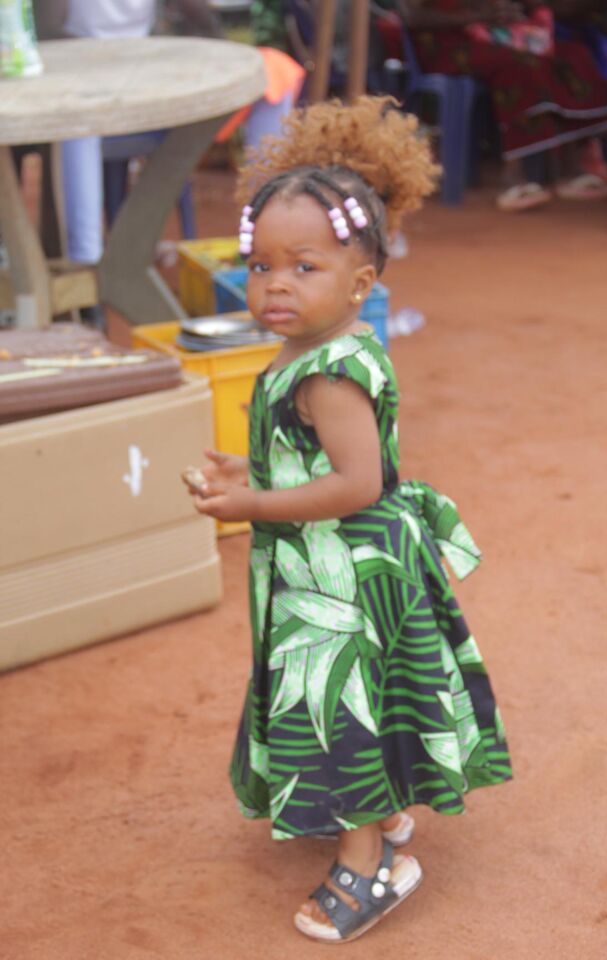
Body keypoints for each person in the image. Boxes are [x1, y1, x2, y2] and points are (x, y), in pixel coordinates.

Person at [184, 96, 513, 943]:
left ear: (361, 285)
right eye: (261, 265)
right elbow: (318, 461)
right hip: (334, 569)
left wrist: (252, 504)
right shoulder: (309, 351)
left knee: (338, 715)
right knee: (366, 702)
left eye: (304, 267)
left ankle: (371, 866)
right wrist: (251, 469)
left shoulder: (328, 372)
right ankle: (387, 813)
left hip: (342, 582)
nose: (275, 284)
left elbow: (359, 482)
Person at [396, 0, 607, 210]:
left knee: (574, 56)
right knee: (520, 64)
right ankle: (515, 176)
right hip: (446, 47)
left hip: (493, 36)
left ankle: (572, 168)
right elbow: (411, 16)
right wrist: (476, 16)